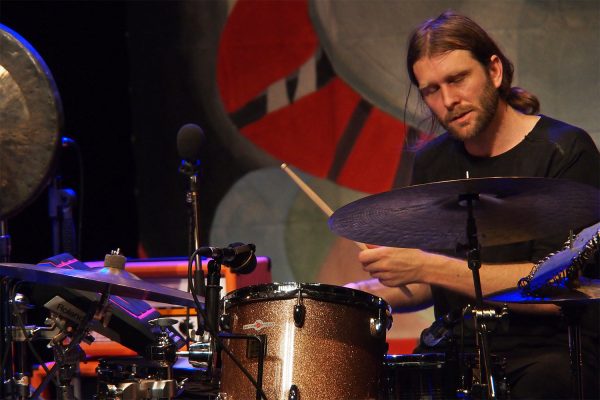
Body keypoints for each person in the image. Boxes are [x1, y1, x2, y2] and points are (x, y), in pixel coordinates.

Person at [346, 10, 600, 399]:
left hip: (548, 357)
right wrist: (349, 296)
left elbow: (558, 291)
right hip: (456, 354)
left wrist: (426, 265)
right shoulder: (433, 162)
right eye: (431, 89)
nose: (448, 100)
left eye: (457, 79)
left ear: (494, 71)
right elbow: (436, 282)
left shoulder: (565, 152)